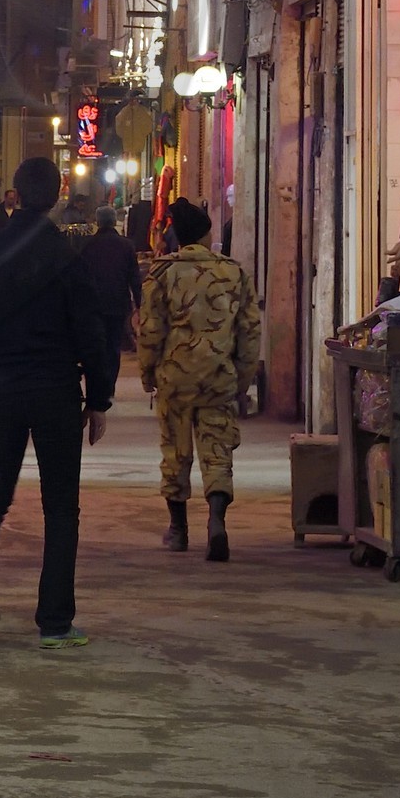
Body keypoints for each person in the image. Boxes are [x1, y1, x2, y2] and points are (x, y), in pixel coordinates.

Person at [0, 155, 114, 649]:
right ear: (57, 195)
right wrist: (100, 397)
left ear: (15, 194)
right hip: (55, 391)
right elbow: (91, 330)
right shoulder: (67, 255)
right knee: (61, 507)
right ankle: (55, 622)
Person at [137, 197, 262, 561]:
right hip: (218, 378)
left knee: (175, 452)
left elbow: (150, 330)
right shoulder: (234, 273)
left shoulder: (161, 274)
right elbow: (250, 331)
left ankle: (178, 530)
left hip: (175, 378)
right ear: (208, 236)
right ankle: (216, 521)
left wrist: (147, 372)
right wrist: (241, 378)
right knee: (217, 451)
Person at [86, 204, 142, 380]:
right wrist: (140, 305)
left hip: (93, 304)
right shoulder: (126, 245)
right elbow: (134, 277)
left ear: (98, 222)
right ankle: (109, 384)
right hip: (118, 303)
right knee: (113, 345)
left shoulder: (88, 245)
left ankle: (98, 384)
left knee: (96, 345)